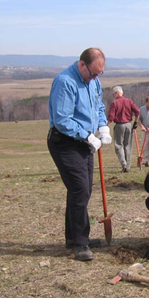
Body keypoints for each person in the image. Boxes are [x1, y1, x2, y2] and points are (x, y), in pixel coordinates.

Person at [47, 47, 112, 262]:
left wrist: (103, 127)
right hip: (65, 142)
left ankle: (73, 237)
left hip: (85, 142)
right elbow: (62, 119)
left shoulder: (94, 81)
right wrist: (87, 135)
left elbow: (98, 107)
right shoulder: (65, 81)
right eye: (92, 73)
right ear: (81, 64)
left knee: (82, 191)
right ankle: (80, 243)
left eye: (99, 74)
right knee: (80, 189)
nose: (94, 77)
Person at [107, 86, 140, 173]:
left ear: (117, 93)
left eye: (114, 94)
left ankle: (124, 164)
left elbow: (111, 117)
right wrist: (135, 122)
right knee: (128, 146)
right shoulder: (129, 101)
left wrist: (106, 126)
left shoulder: (115, 103)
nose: (113, 95)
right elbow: (137, 112)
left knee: (119, 145)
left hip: (119, 125)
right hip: (129, 125)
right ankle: (127, 166)